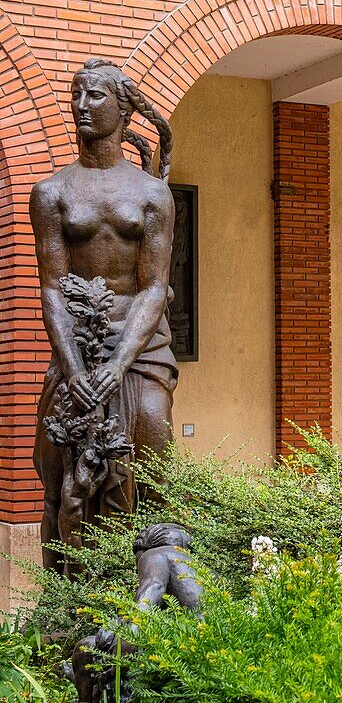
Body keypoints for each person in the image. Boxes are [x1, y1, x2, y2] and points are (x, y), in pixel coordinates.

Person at [30, 59, 177, 573]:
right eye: (76, 94)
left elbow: (154, 286)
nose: (80, 106)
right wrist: (74, 371)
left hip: (138, 345)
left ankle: (150, 582)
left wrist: (116, 367)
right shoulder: (51, 193)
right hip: (77, 344)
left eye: (94, 96)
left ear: (124, 109)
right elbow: (50, 287)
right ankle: (67, 596)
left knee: (153, 427)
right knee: (58, 456)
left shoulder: (152, 194)